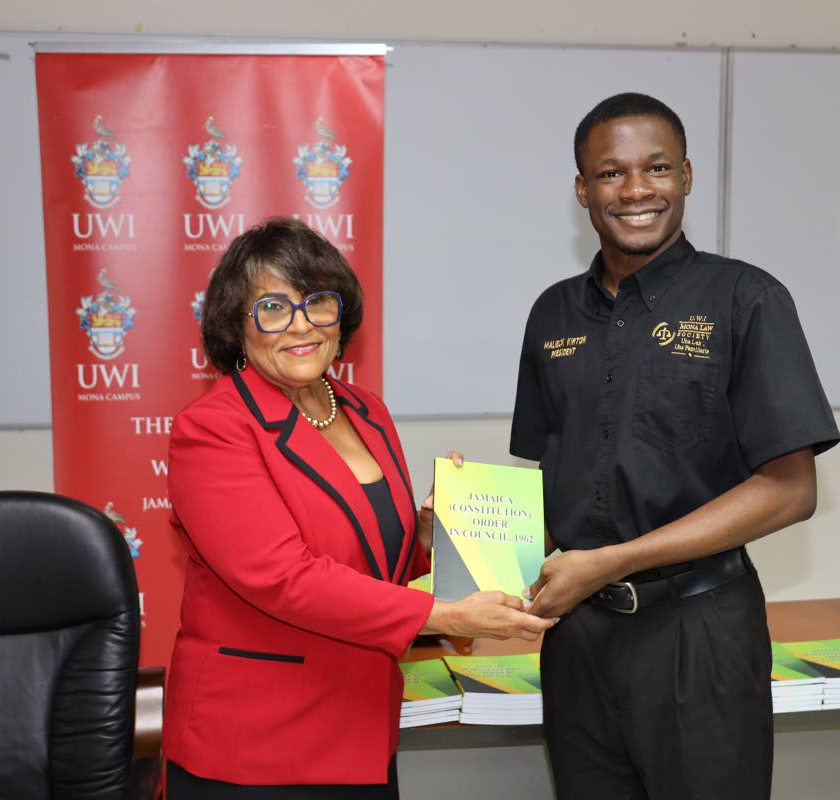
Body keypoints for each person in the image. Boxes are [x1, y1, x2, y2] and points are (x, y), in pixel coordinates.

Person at [512, 93, 840, 800]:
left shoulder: (747, 299)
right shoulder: (552, 313)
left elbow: (791, 490)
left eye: (656, 168)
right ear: (582, 189)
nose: (635, 190)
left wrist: (613, 561)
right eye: (611, 172)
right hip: (578, 641)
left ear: (686, 177)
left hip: (700, 631)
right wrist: (460, 531)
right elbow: (549, 481)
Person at [165, 217, 554, 798]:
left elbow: (373, 566)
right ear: (235, 326)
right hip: (256, 746)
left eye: (317, 303)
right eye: (272, 308)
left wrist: (428, 537)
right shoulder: (213, 429)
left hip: (362, 726)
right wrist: (447, 618)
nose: (301, 325)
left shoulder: (364, 410)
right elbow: (282, 578)